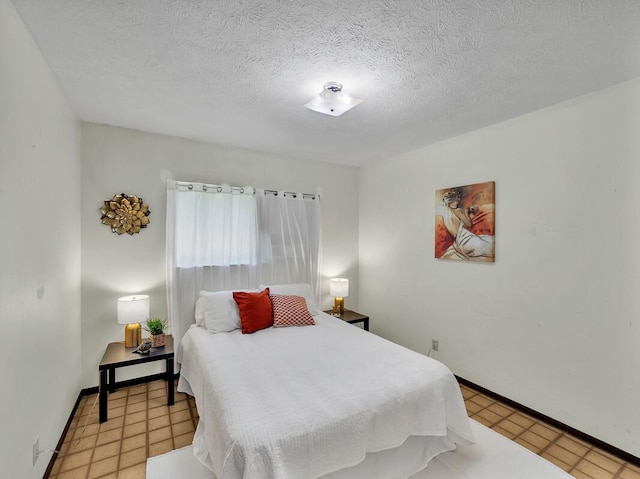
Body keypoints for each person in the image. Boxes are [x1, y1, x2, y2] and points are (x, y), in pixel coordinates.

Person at [439, 189, 494, 261]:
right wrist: (466, 212)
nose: (457, 202)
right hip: (467, 241)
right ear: (452, 201)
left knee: (488, 241)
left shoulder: (445, 215)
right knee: (491, 244)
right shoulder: (458, 211)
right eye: (456, 200)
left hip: (459, 244)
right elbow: (469, 224)